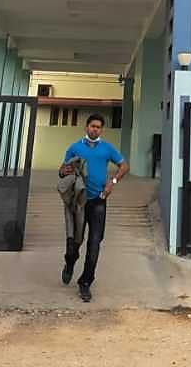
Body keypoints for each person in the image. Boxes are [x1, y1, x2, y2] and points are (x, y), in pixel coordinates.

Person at [58, 112, 129, 302]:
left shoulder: (107, 148)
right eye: (92, 126)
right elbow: (63, 170)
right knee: (75, 242)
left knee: (95, 243)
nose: (95, 129)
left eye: (98, 127)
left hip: (99, 201)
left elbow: (124, 166)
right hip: (78, 202)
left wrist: (112, 182)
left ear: (101, 130)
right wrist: (63, 170)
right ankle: (70, 262)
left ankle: (85, 282)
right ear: (86, 127)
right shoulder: (75, 148)